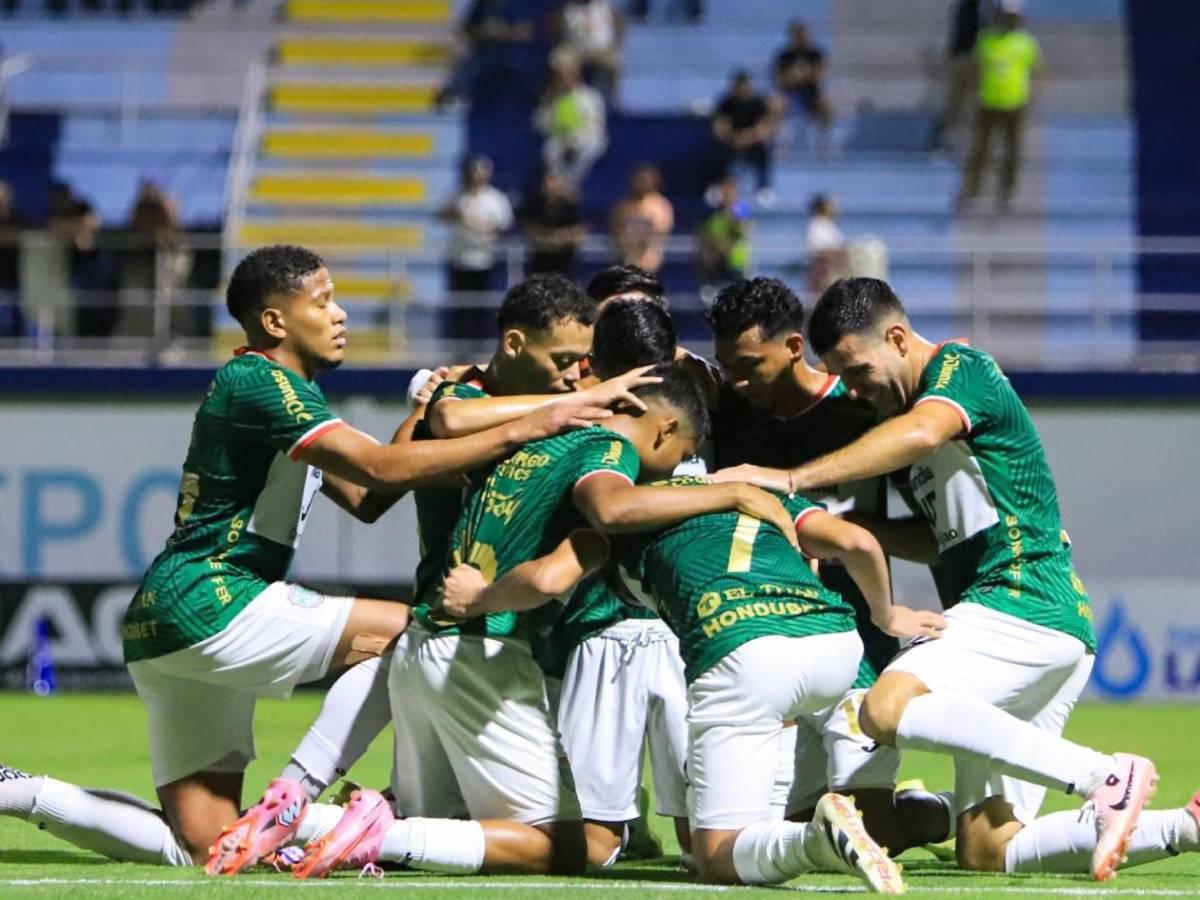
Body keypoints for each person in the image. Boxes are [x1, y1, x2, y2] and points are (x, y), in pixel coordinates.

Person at [0, 245, 611, 872]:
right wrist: (531, 422)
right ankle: (297, 794)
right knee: (421, 632)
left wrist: (424, 413)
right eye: (323, 301)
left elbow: (368, 497)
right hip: (215, 595)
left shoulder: (287, 394)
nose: (340, 314)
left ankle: (16, 791)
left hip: (164, 624)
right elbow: (379, 468)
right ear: (275, 322)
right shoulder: (260, 382)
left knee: (204, 845)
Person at [711, 277, 1168, 882]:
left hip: (1021, 597)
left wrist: (792, 481)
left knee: (886, 705)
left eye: (857, 369)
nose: (852, 387)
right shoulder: (922, 431)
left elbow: (923, 431)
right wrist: (840, 528)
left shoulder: (962, 368)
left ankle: (1103, 776)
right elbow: (936, 540)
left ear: (898, 338)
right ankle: (1186, 825)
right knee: (987, 847)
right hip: (1046, 627)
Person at [291, 368, 807, 878]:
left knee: (448, 829)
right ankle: (356, 827)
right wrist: (733, 493)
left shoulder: (544, 436)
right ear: (665, 429)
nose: (672, 471)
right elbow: (594, 527)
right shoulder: (610, 450)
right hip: (481, 652)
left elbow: (447, 417)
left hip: (422, 648)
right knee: (563, 846)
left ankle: (301, 823)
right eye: (680, 456)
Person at [433, 474, 948, 891]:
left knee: (717, 856)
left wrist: (477, 599)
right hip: (838, 645)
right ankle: (944, 810)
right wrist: (885, 615)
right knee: (836, 796)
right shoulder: (753, 495)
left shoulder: (617, 512)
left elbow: (546, 581)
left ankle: (815, 840)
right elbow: (856, 541)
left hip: (739, 650)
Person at [705, 277, 951, 856]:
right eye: (726, 367)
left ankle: (944, 813)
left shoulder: (865, 412)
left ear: (794, 348)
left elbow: (934, 538)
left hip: (855, 637)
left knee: (866, 836)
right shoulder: (724, 410)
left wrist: (836, 535)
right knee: (790, 832)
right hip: (763, 640)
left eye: (749, 365)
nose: (737, 381)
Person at [956, 7, 1042, 212]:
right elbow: (975, 69)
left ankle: (1006, 192)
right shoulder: (986, 40)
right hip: (988, 102)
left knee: (1012, 151)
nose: (1009, 21)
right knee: (980, 150)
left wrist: (1033, 97)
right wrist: (970, 97)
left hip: (1015, 103)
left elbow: (1036, 71)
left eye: (1013, 18)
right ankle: (971, 189)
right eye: (1006, 17)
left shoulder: (1026, 43)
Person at [441, 156, 514, 295]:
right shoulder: (456, 196)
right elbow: (442, 215)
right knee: (459, 303)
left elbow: (505, 227)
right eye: (472, 174)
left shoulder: (496, 199)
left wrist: (479, 225)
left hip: (484, 259)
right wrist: (456, 215)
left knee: (481, 303)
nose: (475, 179)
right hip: (458, 258)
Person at [535, 52, 607, 188]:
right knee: (550, 150)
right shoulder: (551, 97)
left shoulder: (590, 96)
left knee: (586, 149)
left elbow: (596, 125)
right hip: (560, 139)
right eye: (560, 76)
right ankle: (559, 184)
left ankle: (570, 186)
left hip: (587, 138)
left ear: (575, 75)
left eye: (567, 75)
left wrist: (574, 141)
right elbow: (539, 124)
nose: (563, 79)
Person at [710, 70, 782, 207]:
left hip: (753, 141)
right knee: (716, 151)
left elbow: (764, 128)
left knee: (763, 152)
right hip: (731, 141)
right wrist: (733, 138)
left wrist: (747, 138)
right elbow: (719, 126)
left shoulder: (758, 103)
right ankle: (718, 186)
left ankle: (763, 188)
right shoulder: (726, 103)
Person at [773, 20, 834, 153]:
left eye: (803, 35)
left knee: (826, 105)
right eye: (797, 35)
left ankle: (824, 143)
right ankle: (779, 143)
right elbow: (779, 80)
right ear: (792, 36)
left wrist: (798, 76)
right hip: (789, 94)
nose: (801, 38)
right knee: (775, 105)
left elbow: (820, 75)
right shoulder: (784, 56)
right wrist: (801, 76)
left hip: (811, 94)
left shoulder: (816, 54)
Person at [518, 170, 587, 277]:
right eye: (547, 181)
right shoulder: (534, 205)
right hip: (540, 263)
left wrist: (556, 238)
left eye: (553, 181)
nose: (549, 185)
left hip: (565, 263)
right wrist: (552, 239)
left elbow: (578, 234)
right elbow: (530, 231)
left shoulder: (571, 207)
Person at [610, 163, 674, 275]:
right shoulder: (623, 205)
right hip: (626, 250)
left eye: (644, 180)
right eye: (638, 180)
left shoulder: (660, 205)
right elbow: (615, 228)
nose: (641, 184)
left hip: (650, 250)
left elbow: (660, 231)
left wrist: (641, 242)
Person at [553, 0, 624, 99]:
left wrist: (616, 43)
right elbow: (559, 31)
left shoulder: (606, 7)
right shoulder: (569, 9)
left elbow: (620, 27)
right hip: (576, 49)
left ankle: (613, 99)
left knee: (615, 61)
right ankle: (567, 96)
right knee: (560, 59)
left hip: (603, 50)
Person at [697, 176, 751, 302]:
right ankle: (709, 288)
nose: (726, 194)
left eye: (729, 191)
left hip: (735, 259)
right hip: (716, 258)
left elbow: (741, 231)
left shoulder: (741, 209)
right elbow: (705, 232)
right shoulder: (713, 212)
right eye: (724, 191)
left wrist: (731, 213)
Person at [805, 194, 848, 295]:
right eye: (831, 205)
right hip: (823, 270)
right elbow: (818, 249)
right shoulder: (816, 225)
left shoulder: (829, 225)